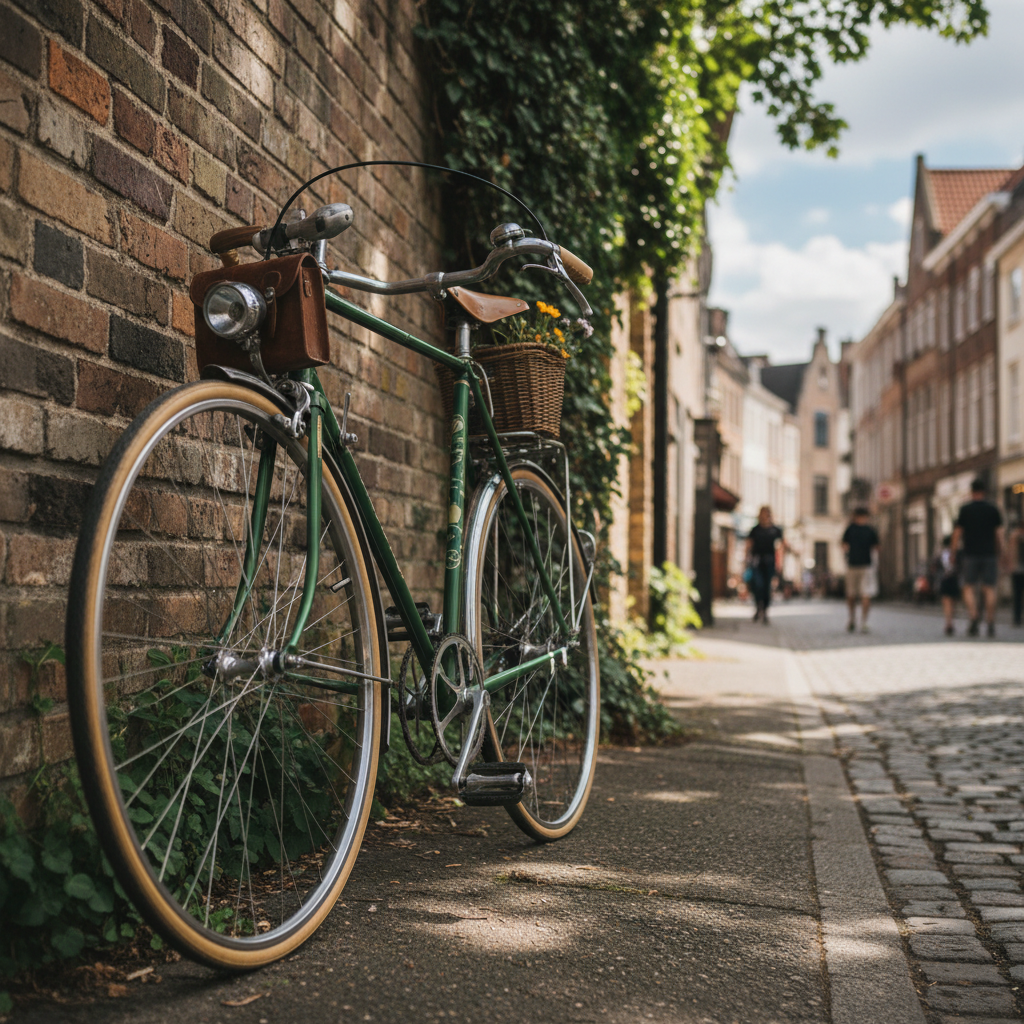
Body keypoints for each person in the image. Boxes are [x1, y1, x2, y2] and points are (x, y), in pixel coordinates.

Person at [952, 478, 1004, 637]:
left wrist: (953, 553)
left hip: (970, 554)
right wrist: (1001, 552)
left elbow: (957, 533)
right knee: (990, 588)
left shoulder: (965, 509)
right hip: (989, 554)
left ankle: (974, 615)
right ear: (984, 491)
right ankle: (990, 622)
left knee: (968, 587)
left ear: (971, 492)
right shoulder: (993, 509)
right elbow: (999, 534)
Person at [841, 507, 880, 633]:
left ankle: (853, 619)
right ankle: (863, 621)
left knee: (853, 594)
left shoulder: (850, 529)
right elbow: (876, 548)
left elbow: (844, 546)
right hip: (865, 566)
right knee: (864, 594)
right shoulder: (870, 530)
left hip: (853, 565)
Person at [746, 506, 783, 625]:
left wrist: (780, 563)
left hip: (770, 561)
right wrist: (746, 561)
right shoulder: (755, 530)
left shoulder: (775, 530)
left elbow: (780, 548)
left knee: (767, 587)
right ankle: (758, 607)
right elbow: (748, 545)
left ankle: (765, 610)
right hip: (757, 561)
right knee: (757, 585)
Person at [935, 534, 961, 636]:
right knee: (953, 602)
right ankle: (950, 622)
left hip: (945, 580)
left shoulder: (942, 554)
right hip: (954, 579)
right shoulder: (957, 554)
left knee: (946, 602)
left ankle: (948, 623)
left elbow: (937, 567)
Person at [1007, 521, 1024, 626]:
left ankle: (1017, 619)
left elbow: (1010, 551)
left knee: (1017, 595)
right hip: (1017, 569)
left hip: (1017, 569)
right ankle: (1017, 618)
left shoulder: (1014, 536)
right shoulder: (1015, 536)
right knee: (1017, 595)